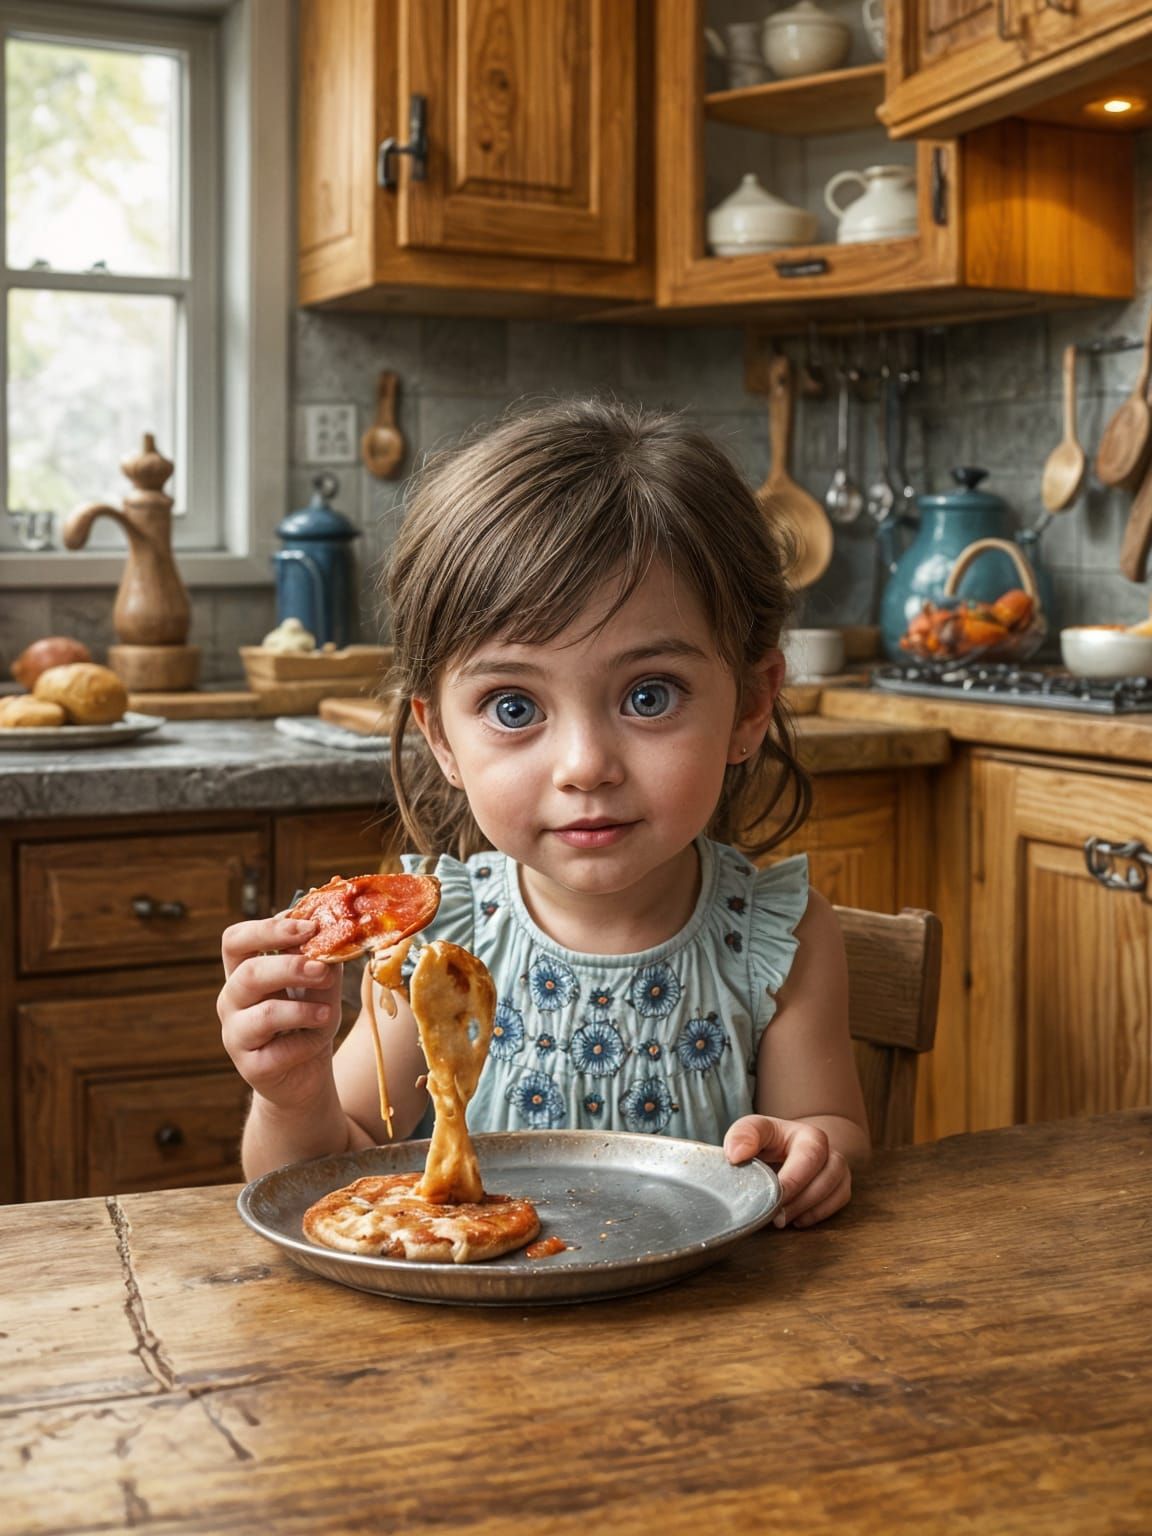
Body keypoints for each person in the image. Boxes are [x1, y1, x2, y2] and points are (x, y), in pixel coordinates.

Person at [219, 399, 870, 1229]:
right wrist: (289, 1092)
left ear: (749, 705)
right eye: (515, 707)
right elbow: (323, 1173)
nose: (585, 765)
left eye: (648, 695)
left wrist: (812, 1153)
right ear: (442, 737)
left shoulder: (779, 936)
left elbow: (834, 1131)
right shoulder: (430, 945)